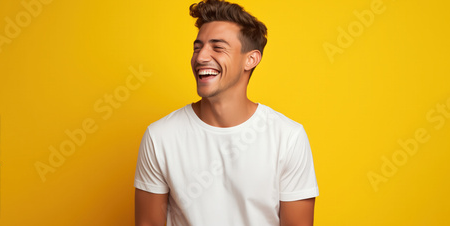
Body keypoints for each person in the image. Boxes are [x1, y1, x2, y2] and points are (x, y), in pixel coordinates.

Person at [134, 0, 318, 225]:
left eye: (218, 47)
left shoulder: (288, 138)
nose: (201, 57)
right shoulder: (160, 136)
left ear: (250, 59)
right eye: (197, 47)